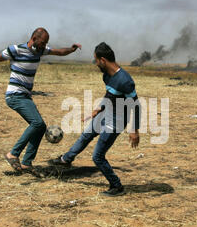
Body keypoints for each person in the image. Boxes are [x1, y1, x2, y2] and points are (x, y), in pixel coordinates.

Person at [0, 27, 82, 172]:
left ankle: (27, 163)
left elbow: (59, 52)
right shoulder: (16, 50)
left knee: (40, 128)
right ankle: (13, 154)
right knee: (37, 123)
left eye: (46, 43)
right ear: (34, 38)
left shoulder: (40, 50)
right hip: (15, 95)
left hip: (25, 96)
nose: (45, 46)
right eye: (43, 42)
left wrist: (72, 49)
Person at [49, 42, 140, 197]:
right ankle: (66, 159)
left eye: (96, 60)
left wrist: (134, 129)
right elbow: (110, 95)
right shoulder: (107, 76)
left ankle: (117, 186)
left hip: (116, 122)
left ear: (103, 60)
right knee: (86, 134)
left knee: (97, 157)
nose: (96, 63)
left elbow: (136, 105)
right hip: (106, 114)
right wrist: (99, 109)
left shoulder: (125, 80)